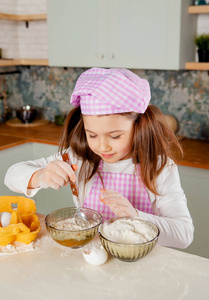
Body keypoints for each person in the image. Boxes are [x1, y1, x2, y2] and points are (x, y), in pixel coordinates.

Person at [4, 68, 194, 249]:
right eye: (92, 135)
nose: (102, 147)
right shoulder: (79, 158)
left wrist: (135, 216)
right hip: (90, 257)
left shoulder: (160, 167)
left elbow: (184, 234)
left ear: (139, 127)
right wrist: (40, 176)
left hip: (138, 263)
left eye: (115, 136)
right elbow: (11, 176)